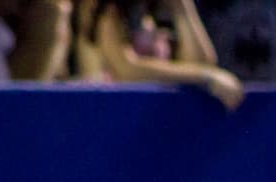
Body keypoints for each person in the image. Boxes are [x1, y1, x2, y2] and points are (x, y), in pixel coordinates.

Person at [73, 0, 244, 110]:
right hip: (113, 117)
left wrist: (183, 10)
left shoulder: (154, 14)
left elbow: (200, 62)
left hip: (154, 120)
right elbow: (127, 70)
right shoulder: (105, 11)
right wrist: (205, 77)